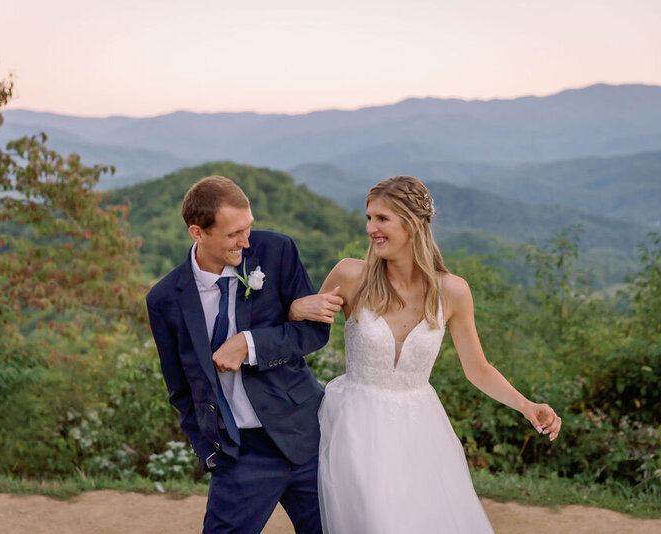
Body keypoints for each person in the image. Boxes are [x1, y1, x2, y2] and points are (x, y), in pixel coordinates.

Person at [289, 175, 562, 533]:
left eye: (382, 219)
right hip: (355, 425)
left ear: (414, 223)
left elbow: (477, 368)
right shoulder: (350, 274)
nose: (371, 228)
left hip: (420, 429)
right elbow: (303, 336)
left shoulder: (453, 292)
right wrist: (295, 308)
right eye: (369, 218)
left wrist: (526, 405)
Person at [146, 175, 329, 534]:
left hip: (305, 434)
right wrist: (210, 451)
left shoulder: (277, 252)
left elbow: (314, 331)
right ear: (198, 233)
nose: (246, 241)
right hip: (239, 452)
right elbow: (180, 389)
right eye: (234, 234)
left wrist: (250, 343)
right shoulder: (164, 299)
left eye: (248, 228)